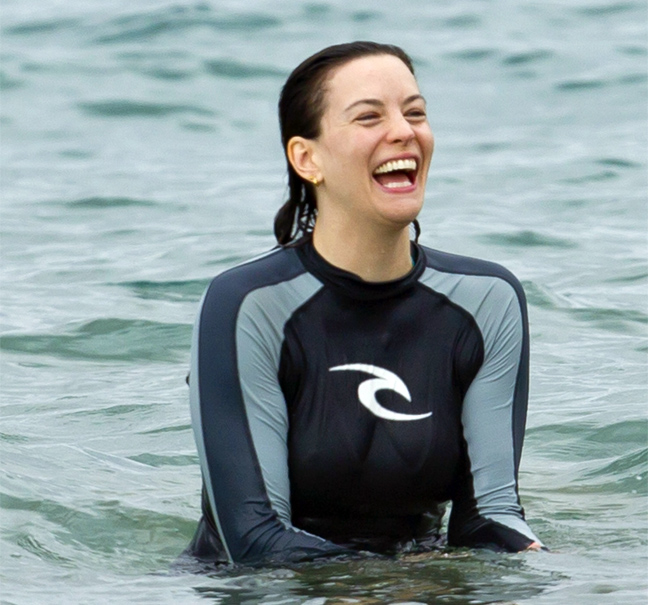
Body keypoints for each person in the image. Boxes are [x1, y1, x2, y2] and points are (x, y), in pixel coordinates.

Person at [184, 41, 543, 566]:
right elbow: (253, 539)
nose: (404, 131)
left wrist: (553, 569)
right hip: (269, 589)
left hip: (418, 577)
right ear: (306, 158)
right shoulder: (248, 306)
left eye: (415, 113)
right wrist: (392, 584)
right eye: (369, 117)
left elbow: (489, 516)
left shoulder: (488, 300)